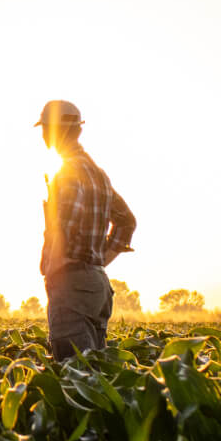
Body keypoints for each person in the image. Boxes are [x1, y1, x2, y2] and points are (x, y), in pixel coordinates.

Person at [35, 100, 136, 361]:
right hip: (97, 284)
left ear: (58, 130)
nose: (44, 135)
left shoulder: (68, 171)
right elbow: (127, 222)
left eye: (45, 128)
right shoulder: (97, 173)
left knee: (74, 373)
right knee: (95, 372)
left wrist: (56, 267)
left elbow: (64, 222)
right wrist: (99, 260)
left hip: (71, 284)